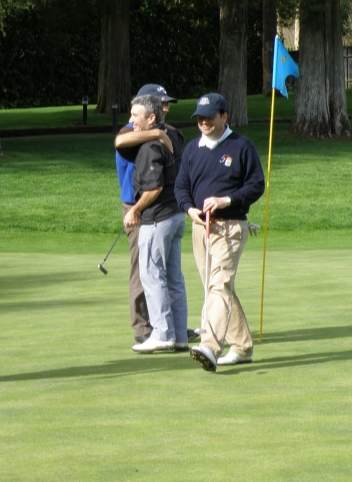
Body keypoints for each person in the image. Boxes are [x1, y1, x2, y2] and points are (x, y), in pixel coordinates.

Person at [175, 93, 265, 372]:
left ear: (224, 117)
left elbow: (256, 185)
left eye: (209, 117)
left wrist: (226, 200)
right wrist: (190, 210)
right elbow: (181, 187)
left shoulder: (241, 146)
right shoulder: (192, 149)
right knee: (216, 288)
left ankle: (210, 347)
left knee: (219, 286)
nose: (203, 122)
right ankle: (242, 346)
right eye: (200, 118)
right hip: (201, 228)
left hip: (231, 227)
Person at [113, 84, 196, 346]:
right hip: (137, 206)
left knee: (158, 272)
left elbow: (172, 136)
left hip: (156, 208)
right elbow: (120, 141)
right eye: (162, 103)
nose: (166, 107)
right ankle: (144, 327)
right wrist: (157, 135)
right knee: (144, 271)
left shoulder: (168, 132)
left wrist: (159, 134)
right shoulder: (134, 131)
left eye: (167, 103)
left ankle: (167, 330)